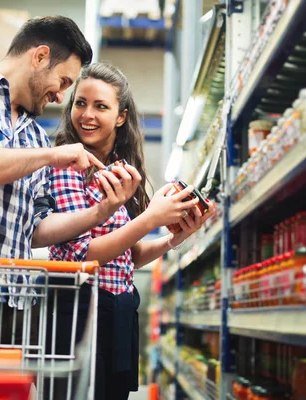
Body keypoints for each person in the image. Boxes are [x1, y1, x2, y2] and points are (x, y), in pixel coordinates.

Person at [0, 17, 138, 345]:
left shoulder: (34, 135)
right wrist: (50, 156)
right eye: (63, 81)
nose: (61, 97)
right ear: (40, 57)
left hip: (14, 304)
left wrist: (101, 212)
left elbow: (37, 230)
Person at [48, 63, 214, 399]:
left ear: (121, 117)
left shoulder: (119, 169)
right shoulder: (67, 166)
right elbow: (84, 256)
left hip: (118, 311)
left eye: (100, 106)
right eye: (80, 103)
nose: (87, 115)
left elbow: (127, 256)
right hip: (80, 313)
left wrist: (173, 238)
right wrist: (150, 219)